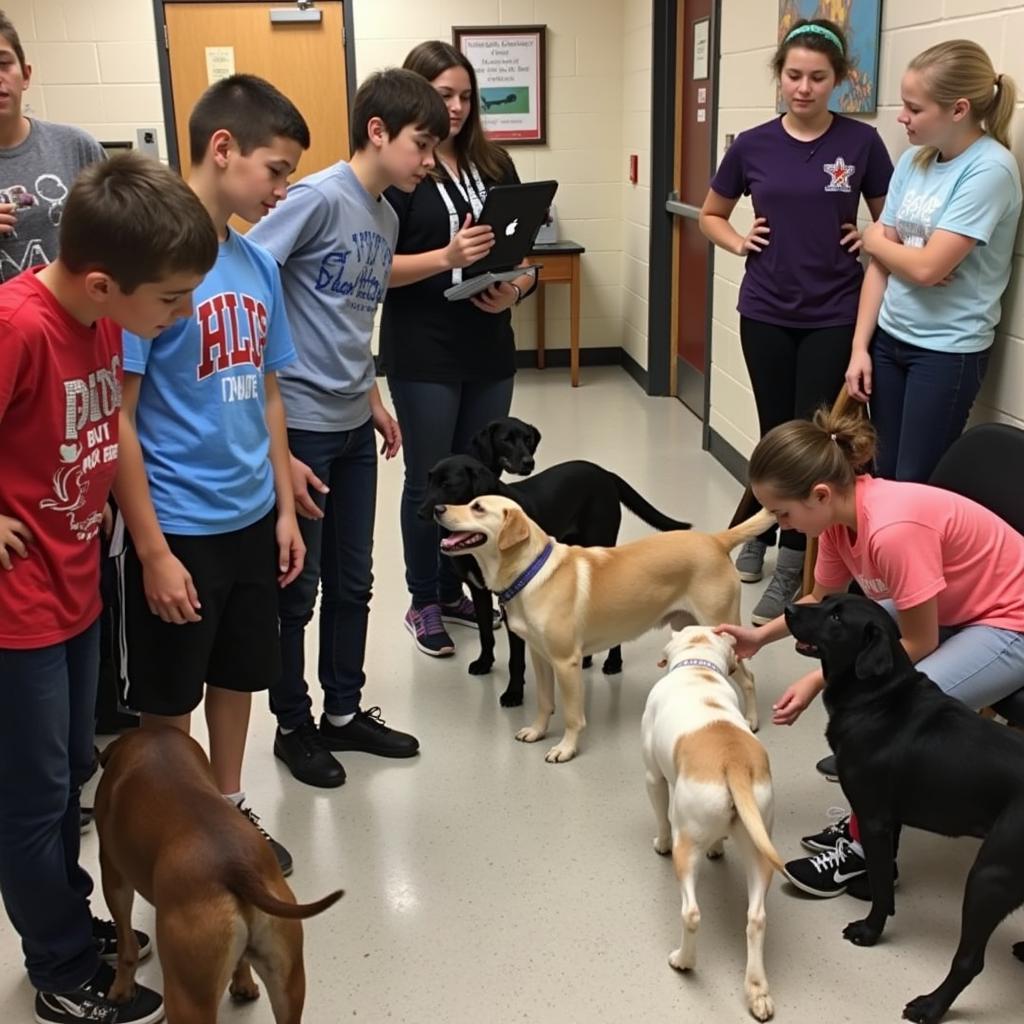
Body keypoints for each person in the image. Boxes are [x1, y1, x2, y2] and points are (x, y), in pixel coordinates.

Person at [0, 152, 217, 1024]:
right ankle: (57, 967)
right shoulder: (19, 325)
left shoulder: (97, 319)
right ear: (101, 280)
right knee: (30, 791)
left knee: (70, 778)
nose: (184, 312)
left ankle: (72, 919)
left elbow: (108, 430)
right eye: (170, 299)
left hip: (76, 584)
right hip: (17, 607)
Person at [114, 75, 308, 875]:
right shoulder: (151, 268)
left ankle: (226, 812)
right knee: (170, 699)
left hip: (250, 514)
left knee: (238, 676)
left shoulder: (257, 265)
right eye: (276, 168)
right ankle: (176, 824)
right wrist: (153, 550)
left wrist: (286, 506)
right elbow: (118, 416)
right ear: (222, 150)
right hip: (178, 523)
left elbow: (266, 390)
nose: (283, 186)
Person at [717, 409, 1024, 899]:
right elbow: (819, 602)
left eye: (783, 514)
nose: (783, 526)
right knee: (869, 688)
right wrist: (758, 639)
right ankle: (871, 817)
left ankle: (863, 849)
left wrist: (819, 681)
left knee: (893, 715)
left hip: (1011, 618)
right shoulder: (838, 521)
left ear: (819, 494)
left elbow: (919, 644)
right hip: (951, 600)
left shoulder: (892, 531)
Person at [247, 69, 443, 788]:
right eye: (421, 145)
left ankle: (343, 713)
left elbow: (354, 312)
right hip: (299, 424)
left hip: (353, 423)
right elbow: (249, 269)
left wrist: (372, 397)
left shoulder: (385, 215)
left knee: (355, 582)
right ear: (378, 132)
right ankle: (292, 726)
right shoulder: (317, 197)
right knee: (298, 589)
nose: (428, 161)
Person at [699, 17, 892, 625]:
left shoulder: (862, 144)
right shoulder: (752, 144)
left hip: (835, 310)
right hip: (766, 310)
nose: (803, 88)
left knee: (813, 444)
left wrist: (867, 236)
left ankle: (791, 563)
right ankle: (758, 528)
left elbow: (888, 223)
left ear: (837, 81)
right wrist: (736, 241)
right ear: (779, 77)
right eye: (793, 76)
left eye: (817, 77)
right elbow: (711, 213)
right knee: (771, 430)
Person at [0, 8, 134, 740]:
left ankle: (90, 730)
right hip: (21, 343)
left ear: (25, 69)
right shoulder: (13, 321)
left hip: (76, 347)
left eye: (2, 61)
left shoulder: (72, 146)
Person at [381, 40, 537, 657]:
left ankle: (462, 588)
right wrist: (445, 259)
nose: (456, 107)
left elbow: (526, 257)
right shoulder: (400, 172)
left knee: (480, 476)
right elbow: (374, 266)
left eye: (465, 96)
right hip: (424, 348)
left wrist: (517, 288)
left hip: (489, 343)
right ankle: (424, 599)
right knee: (432, 478)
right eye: (443, 95)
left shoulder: (494, 165)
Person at [844, 40, 1021, 483]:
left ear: (959, 109)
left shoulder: (990, 170)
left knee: (914, 482)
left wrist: (878, 241)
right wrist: (860, 347)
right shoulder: (913, 160)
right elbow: (887, 264)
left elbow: (926, 270)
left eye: (914, 108)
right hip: (889, 339)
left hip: (946, 351)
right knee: (881, 475)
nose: (902, 117)